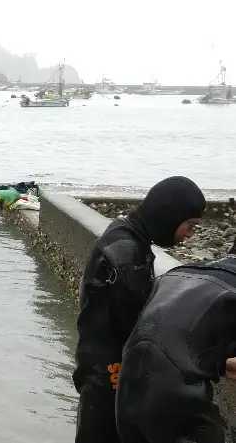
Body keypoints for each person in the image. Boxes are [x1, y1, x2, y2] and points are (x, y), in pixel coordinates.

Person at [72, 176, 206, 443]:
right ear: (169, 215)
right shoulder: (127, 257)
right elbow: (146, 330)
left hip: (97, 371)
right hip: (109, 380)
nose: (190, 233)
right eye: (189, 225)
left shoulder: (124, 233)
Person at [116, 240, 236, 443]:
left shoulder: (180, 272)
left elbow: (177, 338)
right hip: (179, 408)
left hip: (127, 395)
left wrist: (219, 364)